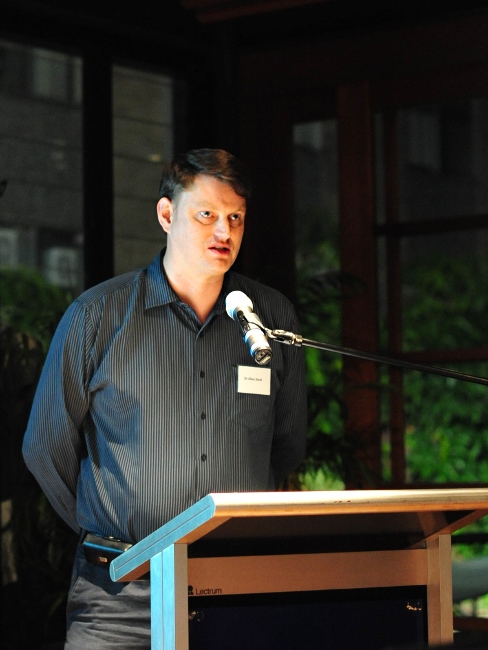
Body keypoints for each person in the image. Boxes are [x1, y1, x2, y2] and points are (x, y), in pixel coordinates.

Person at [22, 148, 308, 648]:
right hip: (118, 598)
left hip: (235, 588)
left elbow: (285, 447)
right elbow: (45, 448)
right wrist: (114, 539)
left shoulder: (270, 319)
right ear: (166, 214)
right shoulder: (97, 316)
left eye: (235, 218)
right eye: (207, 214)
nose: (224, 231)